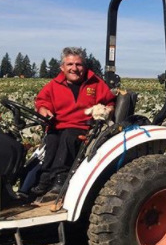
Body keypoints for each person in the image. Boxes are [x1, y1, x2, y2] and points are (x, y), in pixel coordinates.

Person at [30, 47, 116, 197]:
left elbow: (110, 101)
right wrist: (43, 109)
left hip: (83, 127)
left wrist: (107, 110)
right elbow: (42, 101)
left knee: (68, 136)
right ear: (62, 67)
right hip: (58, 126)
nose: (74, 68)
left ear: (84, 66)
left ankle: (60, 179)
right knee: (52, 139)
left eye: (78, 64)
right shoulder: (54, 85)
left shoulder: (95, 83)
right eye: (70, 64)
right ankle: (44, 178)